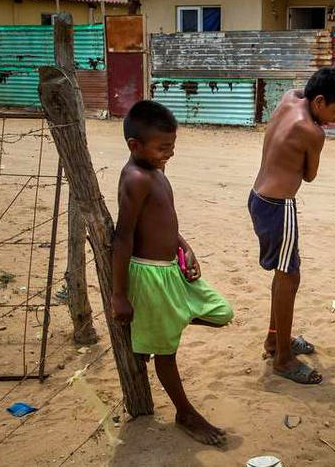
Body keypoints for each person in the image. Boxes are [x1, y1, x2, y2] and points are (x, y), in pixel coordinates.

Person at [112, 100, 233, 445]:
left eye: (173, 146)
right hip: (149, 275)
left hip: (172, 270)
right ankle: (185, 412)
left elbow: (165, 221)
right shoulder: (135, 178)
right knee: (166, 354)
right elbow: (123, 236)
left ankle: (155, 329)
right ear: (135, 145)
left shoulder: (156, 171)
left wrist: (184, 246)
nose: (170, 153)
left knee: (222, 312)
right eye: (163, 147)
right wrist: (118, 295)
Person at [248, 67, 335, 384]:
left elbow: (314, 90)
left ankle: (277, 340)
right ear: (319, 102)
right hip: (280, 206)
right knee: (289, 277)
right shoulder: (312, 132)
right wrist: (326, 135)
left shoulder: (290, 99)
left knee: (284, 272)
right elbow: (310, 175)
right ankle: (283, 359)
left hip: (258, 197)